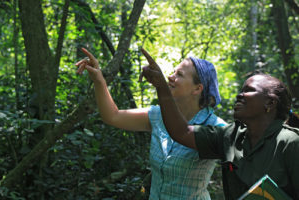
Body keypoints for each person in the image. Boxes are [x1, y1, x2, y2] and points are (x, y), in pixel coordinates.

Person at [140, 48, 299, 199]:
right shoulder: (230, 137)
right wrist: (161, 86)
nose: (239, 95)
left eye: (249, 90)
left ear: (270, 104)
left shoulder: (289, 143)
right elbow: (181, 132)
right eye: (241, 90)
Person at [75, 47, 226, 199]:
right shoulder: (158, 115)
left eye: (179, 74)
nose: (170, 77)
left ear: (197, 88)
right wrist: (99, 79)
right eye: (173, 71)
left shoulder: (215, 128)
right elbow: (112, 116)